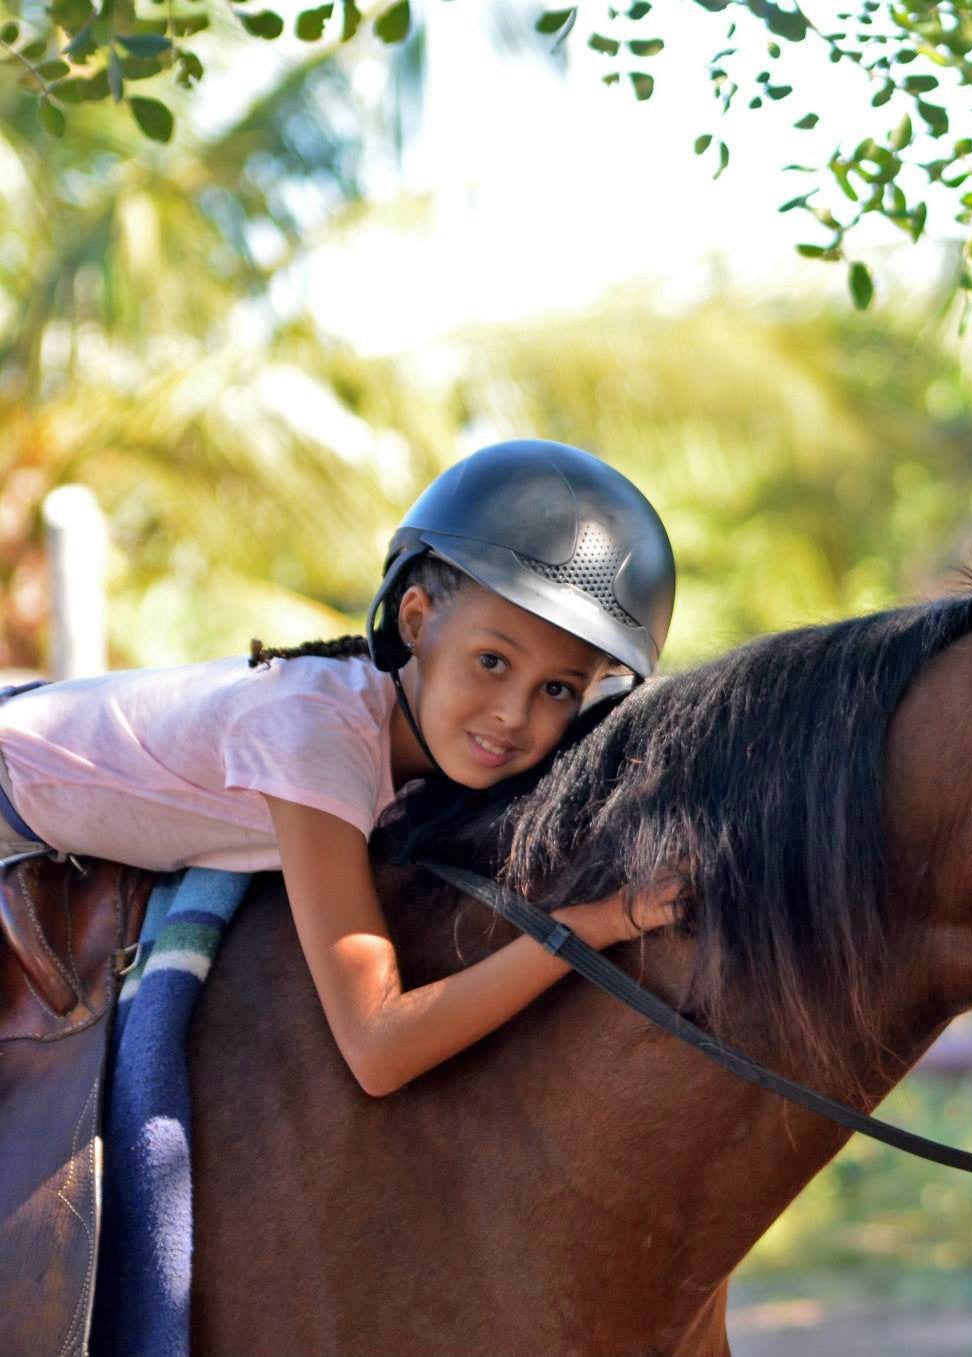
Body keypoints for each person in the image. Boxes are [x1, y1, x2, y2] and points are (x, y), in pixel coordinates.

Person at [0, 438, 678, 1097]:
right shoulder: (317, 735)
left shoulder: (394, 724)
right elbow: (378, 1045)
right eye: (492, 661)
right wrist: (588, 927)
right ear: (415, 619)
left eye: (557, 688)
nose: (511, 714)